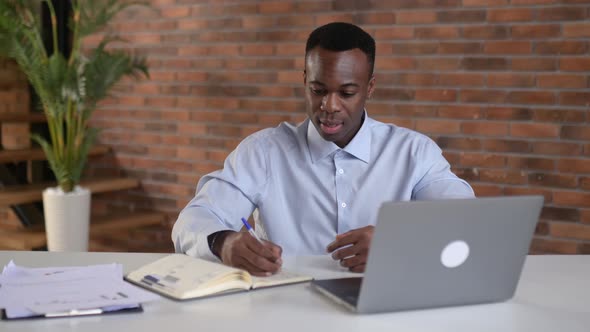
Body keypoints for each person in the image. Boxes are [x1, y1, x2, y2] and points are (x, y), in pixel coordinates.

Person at [172, 22, 474, 276]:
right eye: (318, 90)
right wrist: (223, 243)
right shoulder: (262, 152)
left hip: (385, 310)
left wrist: (400, 239)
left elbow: (465, 219)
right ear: (305, 81)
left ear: (369, 88)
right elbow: (194, 218)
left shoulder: (414, 152)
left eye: (347, 93)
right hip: (283, 310)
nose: (329, 106)